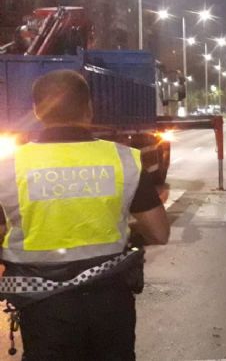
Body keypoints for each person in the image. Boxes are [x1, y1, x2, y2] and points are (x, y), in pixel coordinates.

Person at [0, 70, 169, 360]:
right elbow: (159, 232)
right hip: (111, 299)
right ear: (89, 109)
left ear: (38, 112)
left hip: (43, 305)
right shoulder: (124, 159)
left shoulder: (8, 167)